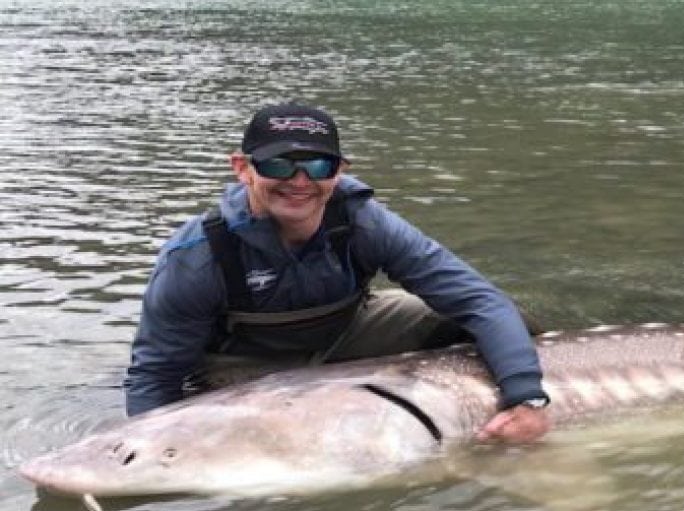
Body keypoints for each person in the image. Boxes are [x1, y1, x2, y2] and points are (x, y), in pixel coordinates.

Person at [124, 103, 550, 443]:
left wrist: (527, 395)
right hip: (248, 362)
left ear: (339, 170)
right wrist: (141, 450)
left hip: (345, 333)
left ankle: (480, 412)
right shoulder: (198, 255)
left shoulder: (363, 220)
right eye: (278, 166)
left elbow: (479, 300)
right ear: (242, 168)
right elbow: (156, 374)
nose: (299, 181)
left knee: (506, 319)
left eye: (317, 166)